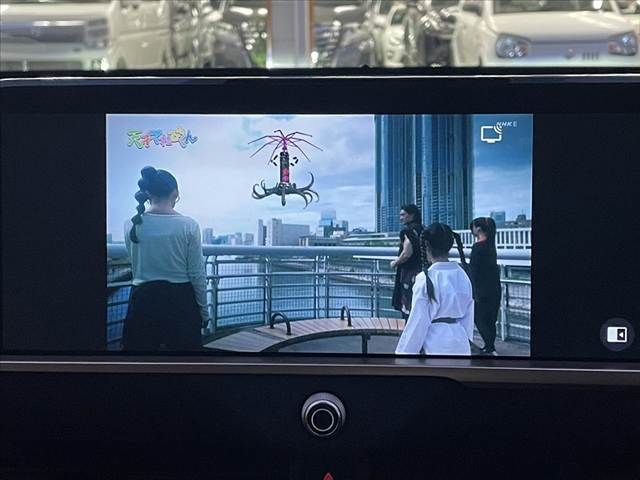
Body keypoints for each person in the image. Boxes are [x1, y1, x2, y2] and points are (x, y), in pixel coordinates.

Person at [122, 166, 209, 351]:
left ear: (147, 193)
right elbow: (197, 274)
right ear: (175, 194)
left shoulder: (130, 224)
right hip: (181, 303)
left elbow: (135, 264)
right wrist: (203, 311)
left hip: (142, 301)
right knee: (184, 362)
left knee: (139, 362)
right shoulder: (189, 226)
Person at [395, 223, 474, 355]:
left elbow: (418, 322)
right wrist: (465, 340)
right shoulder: (463, 275)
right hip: (461, 343)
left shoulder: (425, 278)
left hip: (434, 345)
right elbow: (468, 317)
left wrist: (403, 354)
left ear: (426, 245)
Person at [469, 217, 502, 356]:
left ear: (479, 229)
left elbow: (473, 271)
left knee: (478, 317)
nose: (472, 230)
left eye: (473, 227)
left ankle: (489, 347)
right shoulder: (491, 245)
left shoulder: (478, 247)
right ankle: (490, 347)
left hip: (481, 289)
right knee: (490, 320)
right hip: (494, 287)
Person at [391, 204, 424, 319]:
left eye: (403, 215)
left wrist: (395, 262)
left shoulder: (407, 231)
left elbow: (407, 253)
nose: (401, 218)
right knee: (418, 305)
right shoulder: (422, 229)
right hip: (421, 271)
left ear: (412, 215)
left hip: (409, 273)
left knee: (407, 307)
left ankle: (408, 329)